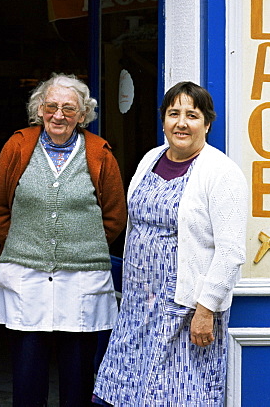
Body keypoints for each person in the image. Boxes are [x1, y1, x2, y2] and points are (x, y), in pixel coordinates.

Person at [92, 81, 248, 407]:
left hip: (185, 308)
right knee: (124, 387)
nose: (181, 122)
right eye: (173, 113)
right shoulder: (151, 158)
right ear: (163, 120)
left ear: (207, 123)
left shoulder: (221, 172)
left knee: (174, 393)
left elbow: (231, 251)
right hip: (138, 304)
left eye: (192, 115)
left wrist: (205, 310)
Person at [0, 73, 127, 407]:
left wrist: (78, 245)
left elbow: (115, 216)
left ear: (82, 114)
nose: (58, 115)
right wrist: (21, 241)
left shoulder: (99, 153)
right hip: (27, 277)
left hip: (81, 280)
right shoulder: (18, 145)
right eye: (51, 106)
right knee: (28, 372)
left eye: (68, 108)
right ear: (39, 109)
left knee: (77, 374)